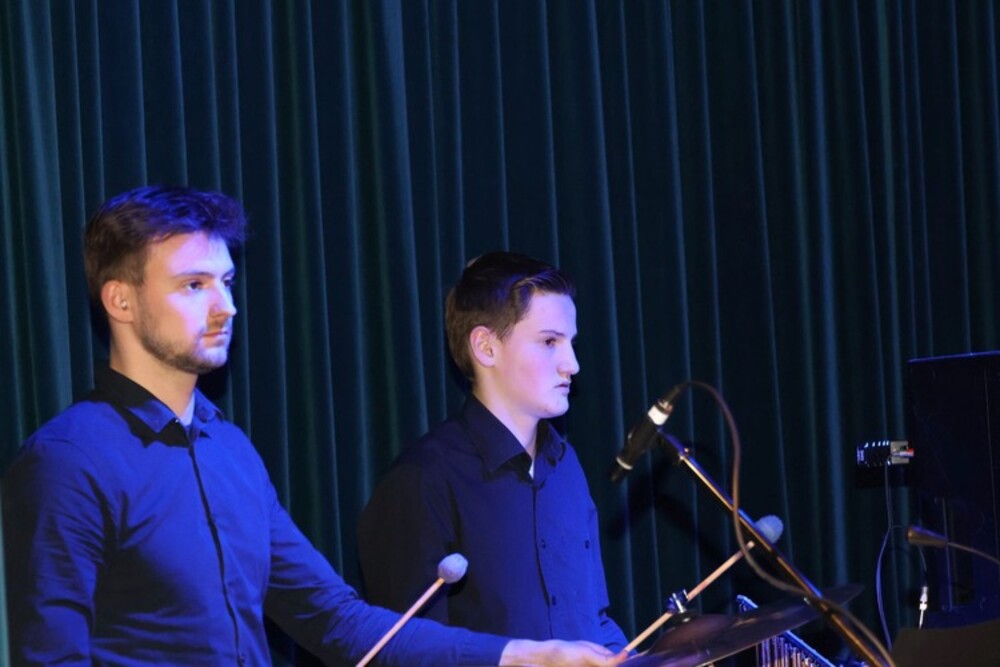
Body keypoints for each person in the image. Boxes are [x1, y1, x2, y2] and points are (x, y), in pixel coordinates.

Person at [2, 185, 628, 667]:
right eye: (193, 285)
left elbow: (336, 621)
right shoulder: (67, 460)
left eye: (227, 282)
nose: (226, 306)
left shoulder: (231, 454)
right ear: (121, 300)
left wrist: (522, 654)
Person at [357, 252, 629, 653]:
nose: (572, 364)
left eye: (571, 343)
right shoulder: (422, 482)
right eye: (550, 342)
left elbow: (594, 622)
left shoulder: (565, 467)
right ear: (486, 347)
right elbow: (407, 653)